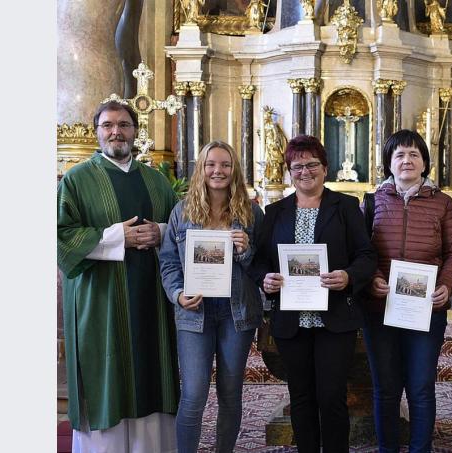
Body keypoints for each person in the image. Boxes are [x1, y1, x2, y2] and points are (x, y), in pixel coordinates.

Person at [57, 100, 179, 452]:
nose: (116, 132)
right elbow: (61, 235)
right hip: (100, 301)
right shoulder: (78, 180)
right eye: (108, 125)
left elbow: (180, 228)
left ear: (135, 131)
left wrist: (159, 231)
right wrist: (116, 237)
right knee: (105, 373)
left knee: (150, 374)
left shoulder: (157, 181)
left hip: (151, 302)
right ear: (97, 131)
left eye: (124, 125)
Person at [254, 135, 377, 452]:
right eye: (297, 166)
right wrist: (265, 278)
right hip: (290, 321)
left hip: (334, 319)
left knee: (332, 396)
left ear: (325, 168)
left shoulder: (346, 207)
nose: (305, 171)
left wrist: (347, 276)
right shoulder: (275, 211)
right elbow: (260, 261)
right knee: (302, 396)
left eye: (312, 164)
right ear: (289, 171)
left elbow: (366, 256)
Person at [362, 130, 452, 452]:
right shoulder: (372, 201)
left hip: (427, 309)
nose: (407, 160)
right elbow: (361, 251)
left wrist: (446, 286)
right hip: (380, 307)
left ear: (424, 162)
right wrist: (373, 278)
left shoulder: (443, 203)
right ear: (389, 163)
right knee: (386, 388)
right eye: (399, 155)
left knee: (421, 387)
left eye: (414, 155)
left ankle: (421, 448)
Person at [159, 141, 265, 452]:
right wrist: (177, 294)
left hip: (238, 312)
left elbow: (262, 266)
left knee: (230, 393)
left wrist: (246, 251)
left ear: (235, 170)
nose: (218, 171)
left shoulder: (252, 213)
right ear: (201, 169)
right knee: (193, 393)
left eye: (225, 165)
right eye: (211, 164)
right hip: (194, 313)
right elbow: (168, 262)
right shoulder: (182, 211)